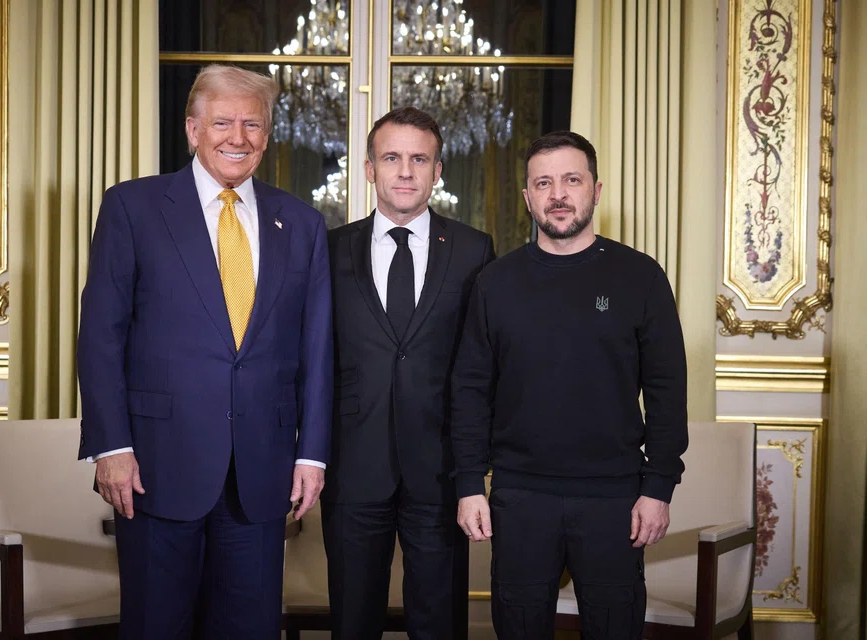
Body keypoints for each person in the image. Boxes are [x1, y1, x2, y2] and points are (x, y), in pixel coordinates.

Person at [76, 64, 332, 639]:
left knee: (249, 628)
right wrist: (110, 446)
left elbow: (315, 349)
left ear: (267, 135)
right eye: (222, 122)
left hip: (261, 473)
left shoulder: (302, 223)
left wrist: (311, 454)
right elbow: (101, 334)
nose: (237, 137)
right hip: (154, 467)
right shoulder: (133, 208)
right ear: (192, 129)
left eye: (253, 124)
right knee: (156, 626)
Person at [451, 131, 688, 639]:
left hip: (615, 499)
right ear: (528, 197)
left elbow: (668, 388)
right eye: (544, 183)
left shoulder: (640, 276)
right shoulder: (495, 283)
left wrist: (659, 487)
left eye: (571, 180)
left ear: (596, 190)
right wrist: (470, 483)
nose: (558, 194)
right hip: (518, 496)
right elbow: (470, 389)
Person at [322, 106, 495, 639]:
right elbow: (311, 357)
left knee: (439, 621)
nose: (405, 171)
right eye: (391, 158)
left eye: (418, 159)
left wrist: (476, 468)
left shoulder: (472, 249)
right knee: (353, 620)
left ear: (437, 171)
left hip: (440, 468)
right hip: (351, 464)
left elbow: (482, 362)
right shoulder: (327, 250)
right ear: (369, 169)